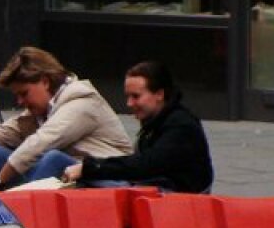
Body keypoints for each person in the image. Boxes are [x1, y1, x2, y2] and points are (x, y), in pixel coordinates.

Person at [0, 46, 133, 192]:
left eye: (24, 93)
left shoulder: (83, 103)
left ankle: (21, 217)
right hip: (67, 179)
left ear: (45, 81)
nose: (20, 102)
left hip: (105, 182)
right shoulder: (38, 113)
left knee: (53, 158)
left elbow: (41, 143)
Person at [62, 60, 213, 193]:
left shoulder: (181, 126)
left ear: (159, 94)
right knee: (57, 160)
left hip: (170, 199)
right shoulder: (158, 121)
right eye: (128, 96)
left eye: (136, 96)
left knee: (75, 174)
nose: (129, 104)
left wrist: (91, 168)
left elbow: (145, 165)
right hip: (149, 189)